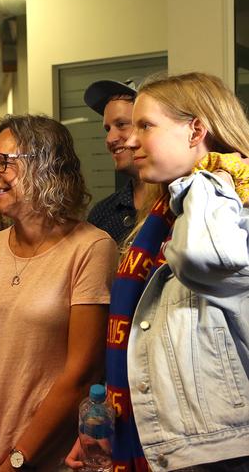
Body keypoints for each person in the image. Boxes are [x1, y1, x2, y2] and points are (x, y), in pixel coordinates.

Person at [67, 72, 249, 471]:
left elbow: (205, 258)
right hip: (162, 438)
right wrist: (110, 427)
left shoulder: (227, 207)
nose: (130, 140)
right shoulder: (165, 213)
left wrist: (208, 177)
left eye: (145, 126)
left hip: (218, 451)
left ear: (196, 130)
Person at [0, 115, 118, 472]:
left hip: (44, 457)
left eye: (3, 163)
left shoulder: (91, 248)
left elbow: (80, 374)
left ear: (46, 167)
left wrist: (16, 461)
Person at [84, 78, 147, 247]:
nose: (110, 139)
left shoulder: (181, 201)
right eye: (107, 129)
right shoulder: (103, 214)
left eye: (121, 124)